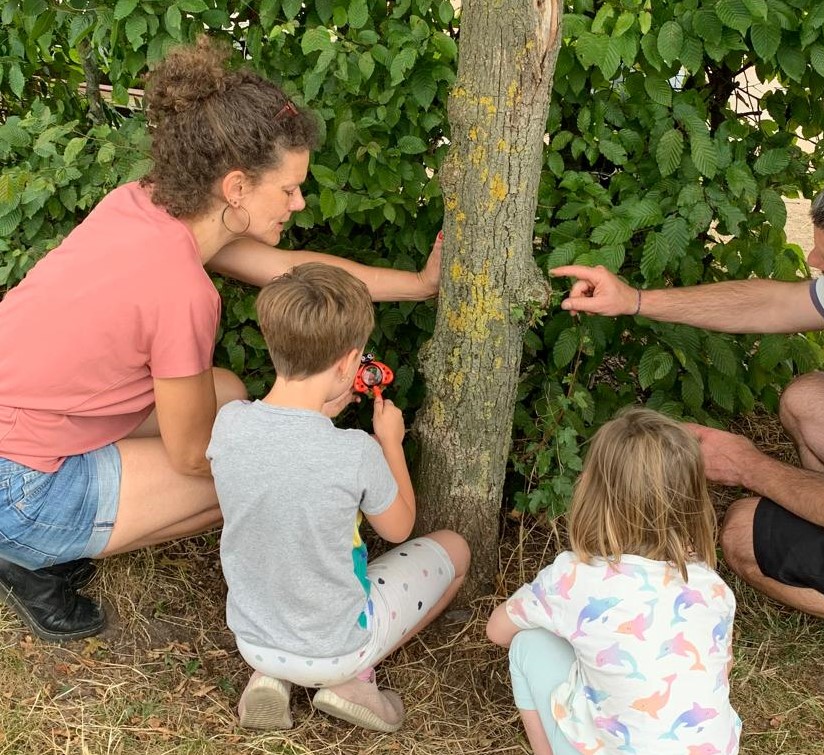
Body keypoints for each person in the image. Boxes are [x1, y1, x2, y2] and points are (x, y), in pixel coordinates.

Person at [0, 35, 444, 643]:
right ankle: (31, 558)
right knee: (251, 480)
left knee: (229, 392)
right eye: (287, 189)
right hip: (18, 489)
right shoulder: (181, 290)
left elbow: (295, 269)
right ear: (236, 188)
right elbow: (193, 456)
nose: (300, 201)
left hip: (22, 422)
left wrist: (421, 285)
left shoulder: (142, 205)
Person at [550, 142, 824, 749]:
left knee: (744, 534)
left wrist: (747, 466)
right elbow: (781, 302)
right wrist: (636, 301)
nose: (812, 261)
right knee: (809, 398)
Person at [206, 262, 470, 732]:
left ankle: (268, 677)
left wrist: (323, 404)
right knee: (456, 549)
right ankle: (355, 680)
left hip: (253, 636)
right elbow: (399, 527)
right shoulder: (357, 452)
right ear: (350, 364)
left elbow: (285, 462)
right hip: (337, 648)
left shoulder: (230, 422)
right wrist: (390, 441)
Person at [487, 407, 740, 755]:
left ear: (593, 493)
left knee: (527, 645)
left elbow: (496, 631)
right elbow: (720, 670)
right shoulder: (714, 589)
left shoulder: (574, 577)